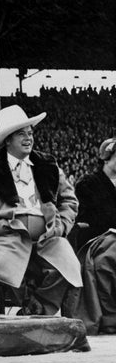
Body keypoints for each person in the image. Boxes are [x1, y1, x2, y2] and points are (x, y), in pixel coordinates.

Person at [0, 105, 82, 315]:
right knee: (4, 270)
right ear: (7, 139)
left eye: (30, 133)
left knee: (70, 267)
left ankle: (37, 308)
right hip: (7, 236)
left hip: (48, 238)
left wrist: (61, 226)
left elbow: (69, 201)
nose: (28, 138)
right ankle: (25, 313)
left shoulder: (48, 165)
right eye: (21, 134)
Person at [71, 137, 116, 333]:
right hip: (99, 239)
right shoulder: (88, 184)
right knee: (107, 260)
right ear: (106, 158)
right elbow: (87, 221)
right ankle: (110, 316)